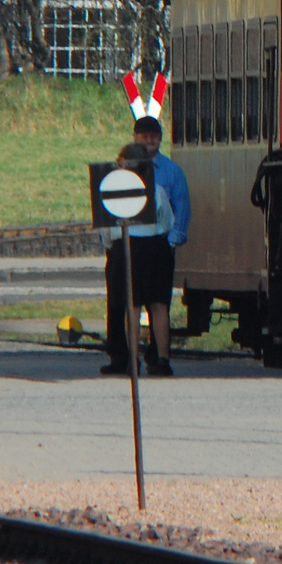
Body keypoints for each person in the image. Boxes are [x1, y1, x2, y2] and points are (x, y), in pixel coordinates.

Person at [101, 116, 190, 377]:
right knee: (159, 304)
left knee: (132, 306)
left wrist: (111, 245)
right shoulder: (156, 189)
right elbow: (168, 220)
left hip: (126, 248)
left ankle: (132, 360)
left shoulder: (114, 186)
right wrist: (167, 239)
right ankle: (162, 358)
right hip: (156, 248)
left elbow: (106, 227)